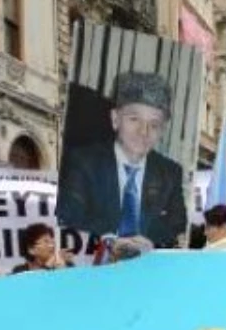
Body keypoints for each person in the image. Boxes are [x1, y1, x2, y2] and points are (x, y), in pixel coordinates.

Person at [56, 71, 189, 248]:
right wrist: (110, 241)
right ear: (115, 119)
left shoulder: (170, 172)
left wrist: (150, 242)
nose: (144, 131)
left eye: (154, 125)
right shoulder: (84, 162)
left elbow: (177, 222)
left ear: (162, 131)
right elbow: (69, 215)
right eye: (134, 119)